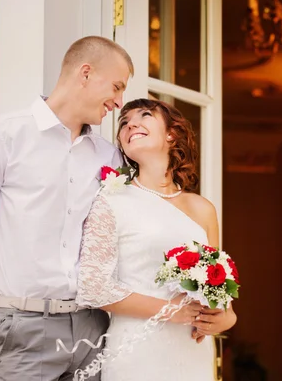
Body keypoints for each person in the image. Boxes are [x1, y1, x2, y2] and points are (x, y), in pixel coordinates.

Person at [0, 36, 134, 380]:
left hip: (93, 326)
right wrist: (6, 310)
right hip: (25, 330)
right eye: (117, 87)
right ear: (86, 73)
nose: (119, 102)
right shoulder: (2, 136)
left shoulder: (109, 156)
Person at [76, 98, 237, 380]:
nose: (130, 124)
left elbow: (222, 299)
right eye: (124, 123)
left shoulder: (203, 208)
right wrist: (170, 310)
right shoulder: (111, 199)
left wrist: (223, 319)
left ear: (171, 134)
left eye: (145, 115)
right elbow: (94, 288)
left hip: (193, 352)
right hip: (137, 351)